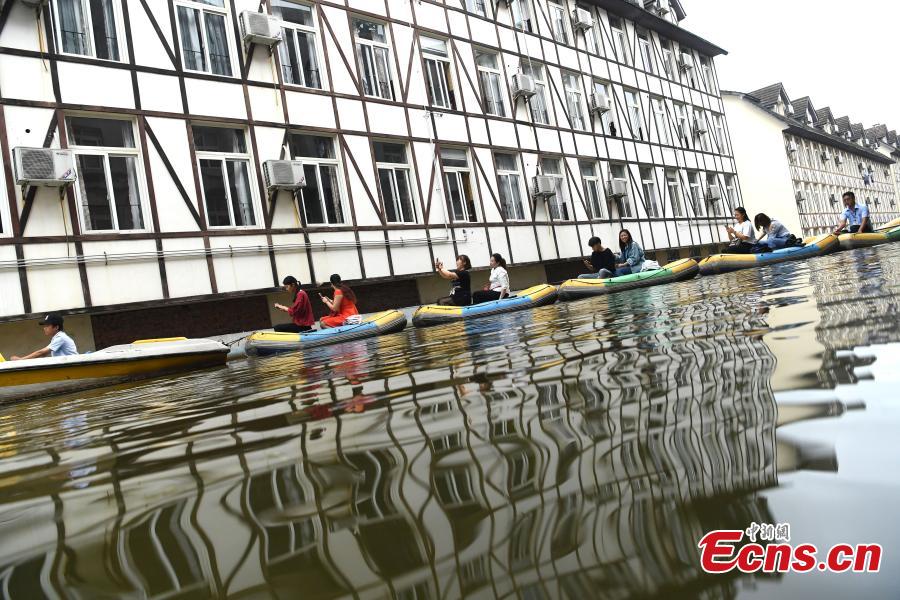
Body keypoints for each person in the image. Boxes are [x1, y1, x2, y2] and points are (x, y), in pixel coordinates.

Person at [11, 313, 78, 360]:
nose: (44, 328)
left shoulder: (60, 337)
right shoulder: (57, 337)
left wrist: (21, 359)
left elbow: (41, 352)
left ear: (56, 327)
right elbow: (43, 354)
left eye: (47, 326)